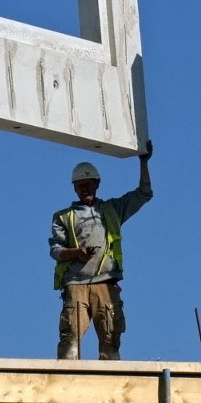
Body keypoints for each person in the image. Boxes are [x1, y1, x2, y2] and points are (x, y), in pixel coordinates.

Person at [48, 140, 153, 360]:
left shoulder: (112, 210)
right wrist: (76, 253)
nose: (85, 188)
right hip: (76, 283)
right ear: (74, 188)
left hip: (105, 282)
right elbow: (56, 251)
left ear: (97, 184)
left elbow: (143, 193)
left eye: (88, 183)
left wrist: (143, 163)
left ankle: (111, 384)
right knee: (70, 339)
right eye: (80, 185)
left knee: (110, 338)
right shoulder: (64, 217)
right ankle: (67, 382)